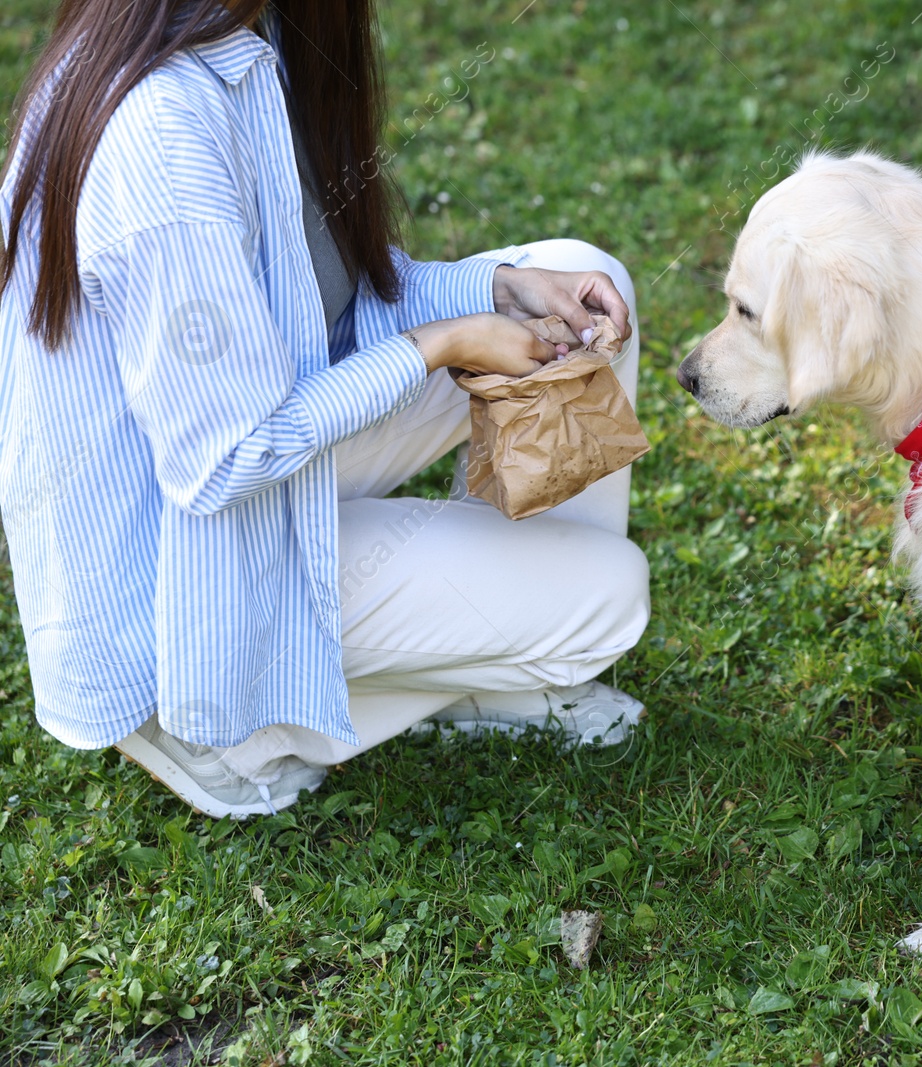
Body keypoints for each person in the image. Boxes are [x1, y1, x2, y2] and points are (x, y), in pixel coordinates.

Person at [0, 0, 651, 818]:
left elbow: (322, 302)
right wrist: (440, 344)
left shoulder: (246, 31)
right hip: (195, 572)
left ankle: (501, 653)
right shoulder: (162, 131)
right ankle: (227, 732)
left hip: (266, 467)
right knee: (609, 595)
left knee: (591, 286)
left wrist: (493, 290)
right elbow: (224, 458)